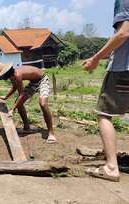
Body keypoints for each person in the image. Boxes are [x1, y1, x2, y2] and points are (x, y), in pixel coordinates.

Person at [83, 0, 129, 182]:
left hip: (124, 68)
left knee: (104, 114)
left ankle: (111, 167)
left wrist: (96, 58)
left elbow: (124, 32)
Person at [0, 63, 57, 144]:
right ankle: (27, 128)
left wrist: (12, 110)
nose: (1, 78)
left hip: (42, 80)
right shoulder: (13, 75)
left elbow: (21, 94)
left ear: (5, 74)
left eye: (1, 77)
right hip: (33, 83)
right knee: (19, 103)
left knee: (43, 104)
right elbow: (15, 86)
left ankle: (51, 133)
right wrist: (6, 97)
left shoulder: (17, 74)